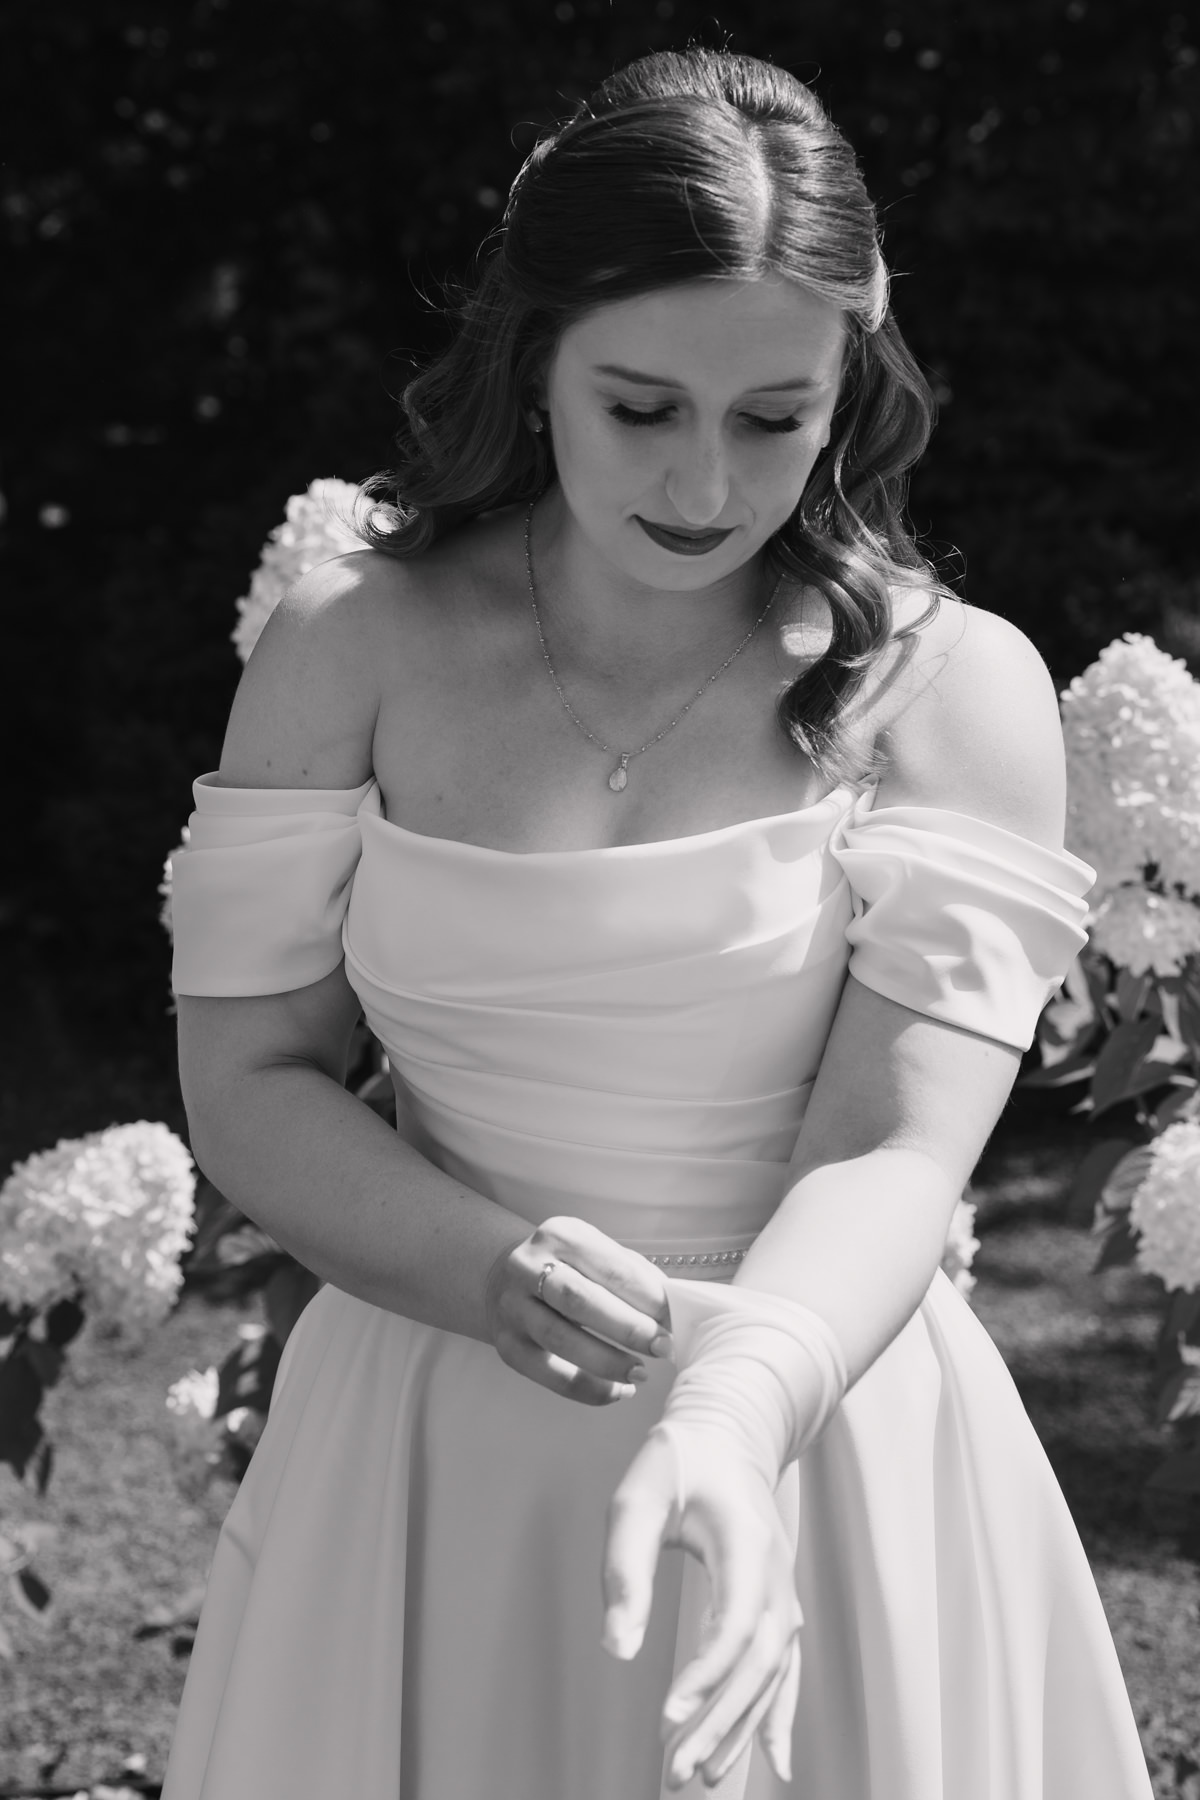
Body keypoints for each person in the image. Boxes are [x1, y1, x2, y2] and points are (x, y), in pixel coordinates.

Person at [161, 46, 1153, 1800]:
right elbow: (249, 1077)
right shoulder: (349, 644)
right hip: (432, 1431)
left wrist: (738, 1402)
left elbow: (894, 1148)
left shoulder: (955, 689)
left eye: (772, 417)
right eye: (641, 407)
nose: (704, 486)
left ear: (851, 382)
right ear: (535, 355)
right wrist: (486, 1269)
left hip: (821, 1417)